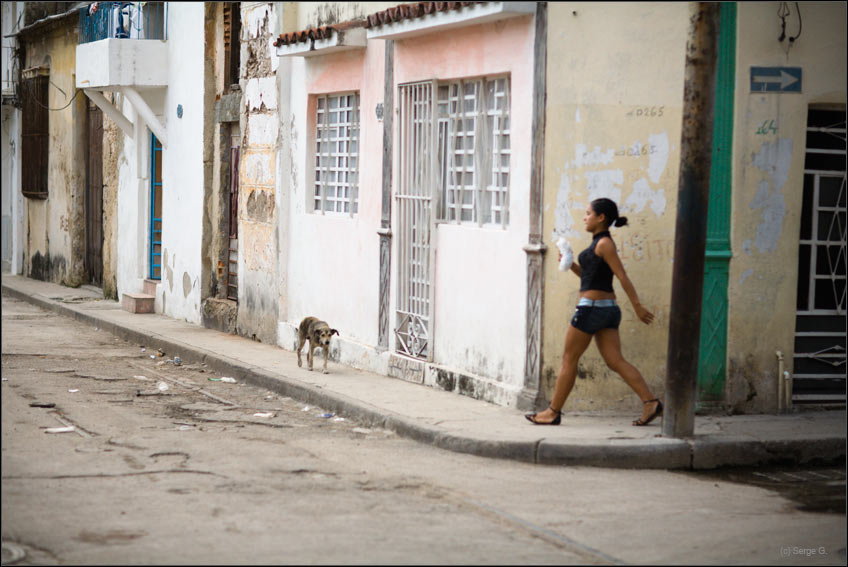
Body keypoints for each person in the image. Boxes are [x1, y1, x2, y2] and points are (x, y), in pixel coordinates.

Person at [525, 198, 663, 426]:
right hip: (607, 310)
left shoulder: (604, 244)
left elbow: (622, 275)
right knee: (615, 361)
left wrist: (637, 306)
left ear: (601, 218)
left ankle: (552, 412)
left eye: (588, 213)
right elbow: (591, 279)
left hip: (591, 309)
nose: (584, 217)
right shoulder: (599, 244)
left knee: (569, 359)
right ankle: (650, 402)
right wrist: (571, 265)